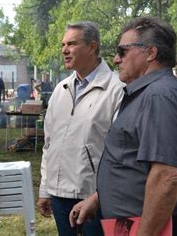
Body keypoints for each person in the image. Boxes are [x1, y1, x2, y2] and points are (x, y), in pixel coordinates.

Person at [70, 17, 177, 235]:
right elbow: (133, 162)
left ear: (150, 53)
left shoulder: (159, 96)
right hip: (134, 225)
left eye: (122, 51)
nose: (115, 59)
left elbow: (166, 176)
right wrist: (98, 198)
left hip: (159, 228)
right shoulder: (148, 93)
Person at [37, 21, 124, 235]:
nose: (64, 50)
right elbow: (49, 144)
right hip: (59, 197)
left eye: (72, 44)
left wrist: (99, 196)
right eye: (63, 44)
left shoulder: (116, 89)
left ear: (92, 47)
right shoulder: (60, 89)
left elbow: (121, 152)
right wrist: (45, 190)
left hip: (95, 197)